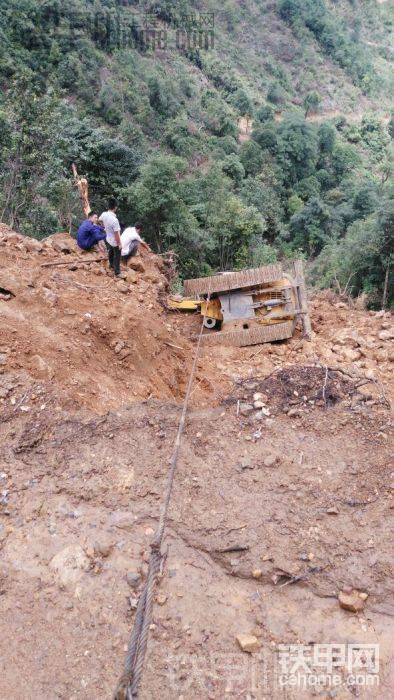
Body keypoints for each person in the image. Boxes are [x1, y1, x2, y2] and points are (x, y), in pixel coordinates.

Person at [99, 198, 122, 276]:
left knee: (111, 251)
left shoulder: (104, 214)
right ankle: (117, 272)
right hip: (114, 240)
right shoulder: (115, 220)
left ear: (108, 206)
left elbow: (100, 220)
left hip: (108, 238)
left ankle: (111, 265)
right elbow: (116, 234)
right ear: (115, 207)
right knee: (117, 255)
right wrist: (119, 244)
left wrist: (104, 226)